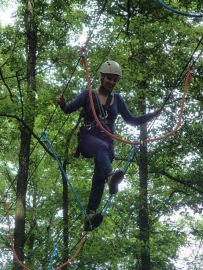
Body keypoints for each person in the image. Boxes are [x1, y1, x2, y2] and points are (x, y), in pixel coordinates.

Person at [57, 61, 161, 229]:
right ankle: (110, 177)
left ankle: (90, 214)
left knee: (99, 178)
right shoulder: (88, 95)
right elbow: (68, 108)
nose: (112, 82)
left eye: (115, 80)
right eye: (109, 79)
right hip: (88, 139)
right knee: (101, 150)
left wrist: (151, 115)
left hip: (107, 144)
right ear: (102, 77)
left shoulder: (117, 99)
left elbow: (132, 120)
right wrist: (62, 103)